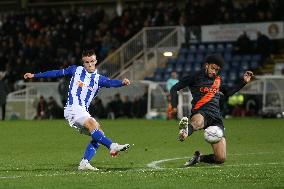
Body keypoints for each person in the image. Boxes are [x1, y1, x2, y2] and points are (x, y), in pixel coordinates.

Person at [24, 49, 131, 171]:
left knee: (98, 133)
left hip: (83, 111)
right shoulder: (76, 70)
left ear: (96, 61)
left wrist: (122, 82)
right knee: (92, 124)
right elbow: (56, 73)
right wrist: (35, 75)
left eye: (91, 61)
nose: (89, 64)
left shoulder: (98, 79)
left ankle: (84, 163)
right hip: (72, 108)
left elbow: (111, 82)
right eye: (86, 62)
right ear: (83, 62)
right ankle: (113, 145)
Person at [170, 54, 253, 166]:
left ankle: (199, 158)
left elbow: (228, 92)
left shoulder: (218, 80)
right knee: (197, 123)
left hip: (216, 117)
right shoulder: (195, 76)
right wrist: (174, 106)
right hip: (201, 111)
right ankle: (184, 132)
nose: (214, 72)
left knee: (221, 158)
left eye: (217, 70)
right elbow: (174, 88)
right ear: (206, 65)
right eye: (213, 68)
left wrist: (243, 82)